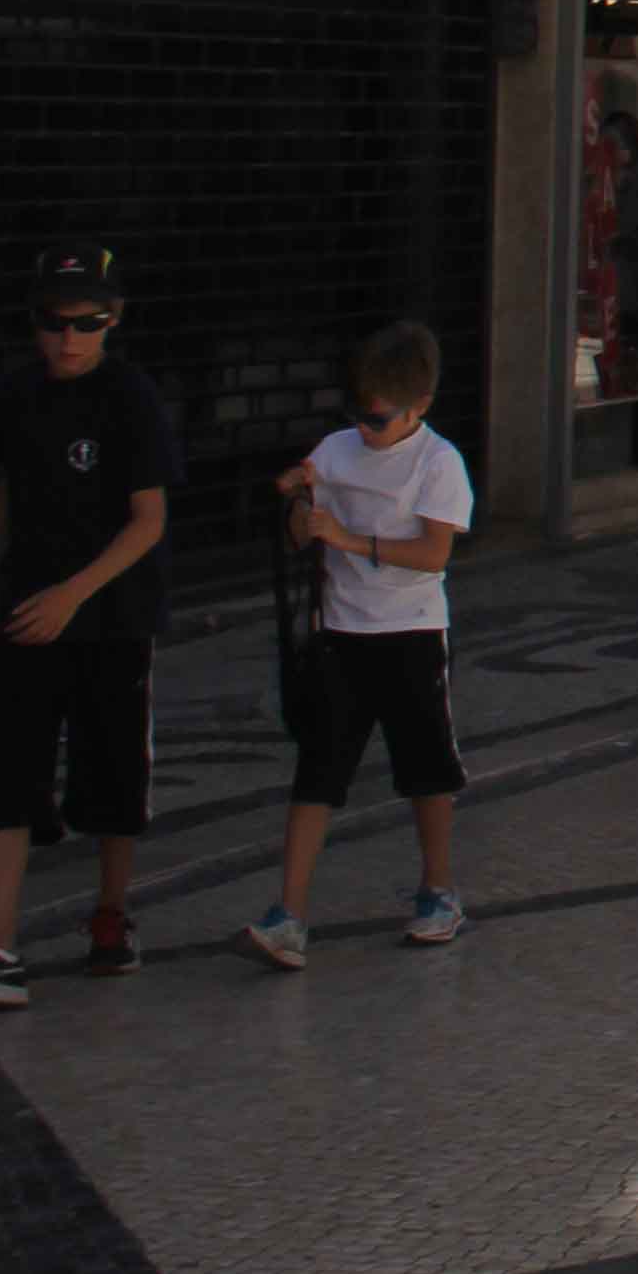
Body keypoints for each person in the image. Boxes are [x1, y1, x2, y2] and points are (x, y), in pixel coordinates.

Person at [0, 244, 175, 1005]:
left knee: (113, 768)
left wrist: (76, 593)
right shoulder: (17, 393)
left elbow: (148, 519)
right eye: (56, 323)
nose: (70, 339)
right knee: (11, 768)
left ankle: (111, 916)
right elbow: (12, 485)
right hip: (31, 609)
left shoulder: (131, 397)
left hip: (112, 614)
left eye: (88, 323)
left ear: (113, 320)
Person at [237, 322, 476, 969]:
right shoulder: (336, 450)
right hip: (341, 634)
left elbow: (433, 553)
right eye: (358, 415)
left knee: (426, 767)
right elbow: (299, 535)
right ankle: (289, 913)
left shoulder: (438, 463)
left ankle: (438, 890)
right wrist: (299, 504)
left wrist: (347, 539)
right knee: (317, 770)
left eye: (379, 419)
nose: (365, 430)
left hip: (412, 633)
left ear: (419, 405)